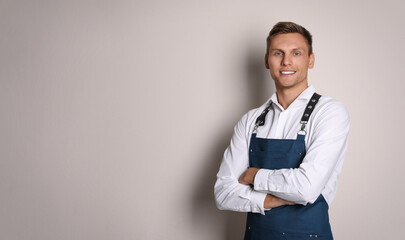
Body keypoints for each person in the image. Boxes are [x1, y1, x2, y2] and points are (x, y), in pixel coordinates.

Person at [214, 22, 350, 240]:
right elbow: (223, 193)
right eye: (278, 53)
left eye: (296, 53)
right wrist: (277, 198)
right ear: (267, 61)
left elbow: (306, 188)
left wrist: (253, 175)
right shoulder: (251, 120)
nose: (287, 61)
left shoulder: (330, 112)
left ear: (311, 60)